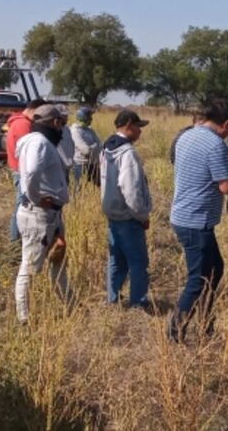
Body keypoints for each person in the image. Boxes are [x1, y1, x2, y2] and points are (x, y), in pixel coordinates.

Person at [168, 99, 228, 343]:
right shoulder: (215, 145)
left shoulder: (187, 136)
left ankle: (205, 324)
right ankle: (174, 332)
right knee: (198, 279)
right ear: (227, 124)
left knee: (215, 269)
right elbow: (226, 187)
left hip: (185, 216)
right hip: (196, 222)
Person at [14, 104, 72, 324]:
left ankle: (70, 305)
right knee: (29, 267)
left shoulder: (39, 141)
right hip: (39, 215)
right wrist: (37, 198)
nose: (63, 128)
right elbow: (30, 175)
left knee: (58, 260)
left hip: (50, 215)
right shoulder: (39, 142)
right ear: (55, 122)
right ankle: (24, 319)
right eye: (62, 123)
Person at [101, 110, 152, 309]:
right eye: (139, 126)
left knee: (116, 259)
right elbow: (130, 189)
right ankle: (138, 302)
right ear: (129, 125)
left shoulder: (106, 147)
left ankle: (112, 298)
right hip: (128, 215)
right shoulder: (128, 153)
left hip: (112, 212)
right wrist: (141, 215)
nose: (140, 131)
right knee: (138, 262)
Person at [7, 99, 46, 242]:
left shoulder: (19, 122)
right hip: (21, 171)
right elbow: (29, 152)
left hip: (18, 169)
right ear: (33, 109)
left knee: (22, 205)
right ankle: (14, 240)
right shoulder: (24, 125)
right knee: (21, 206)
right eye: (40, 114)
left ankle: (16, 239)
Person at [71, 107, 102, 186]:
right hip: (80, 165)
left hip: (92, 164)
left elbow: (100, 145)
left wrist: (93, 147)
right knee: (79, 190)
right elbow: (86, 151)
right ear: (84, 117)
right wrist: (95, 146)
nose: (91, 119)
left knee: (100, 185)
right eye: (89, 116)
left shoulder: (90, 130)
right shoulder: (75, 131)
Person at [55, 105, 75, 182]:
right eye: (64, 116)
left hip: (67, 166)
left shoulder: (67, 129)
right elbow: (59, 148)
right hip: (58, 167)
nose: (67, 118)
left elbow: (71, 144)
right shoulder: (54, 131)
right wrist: (67, 161)